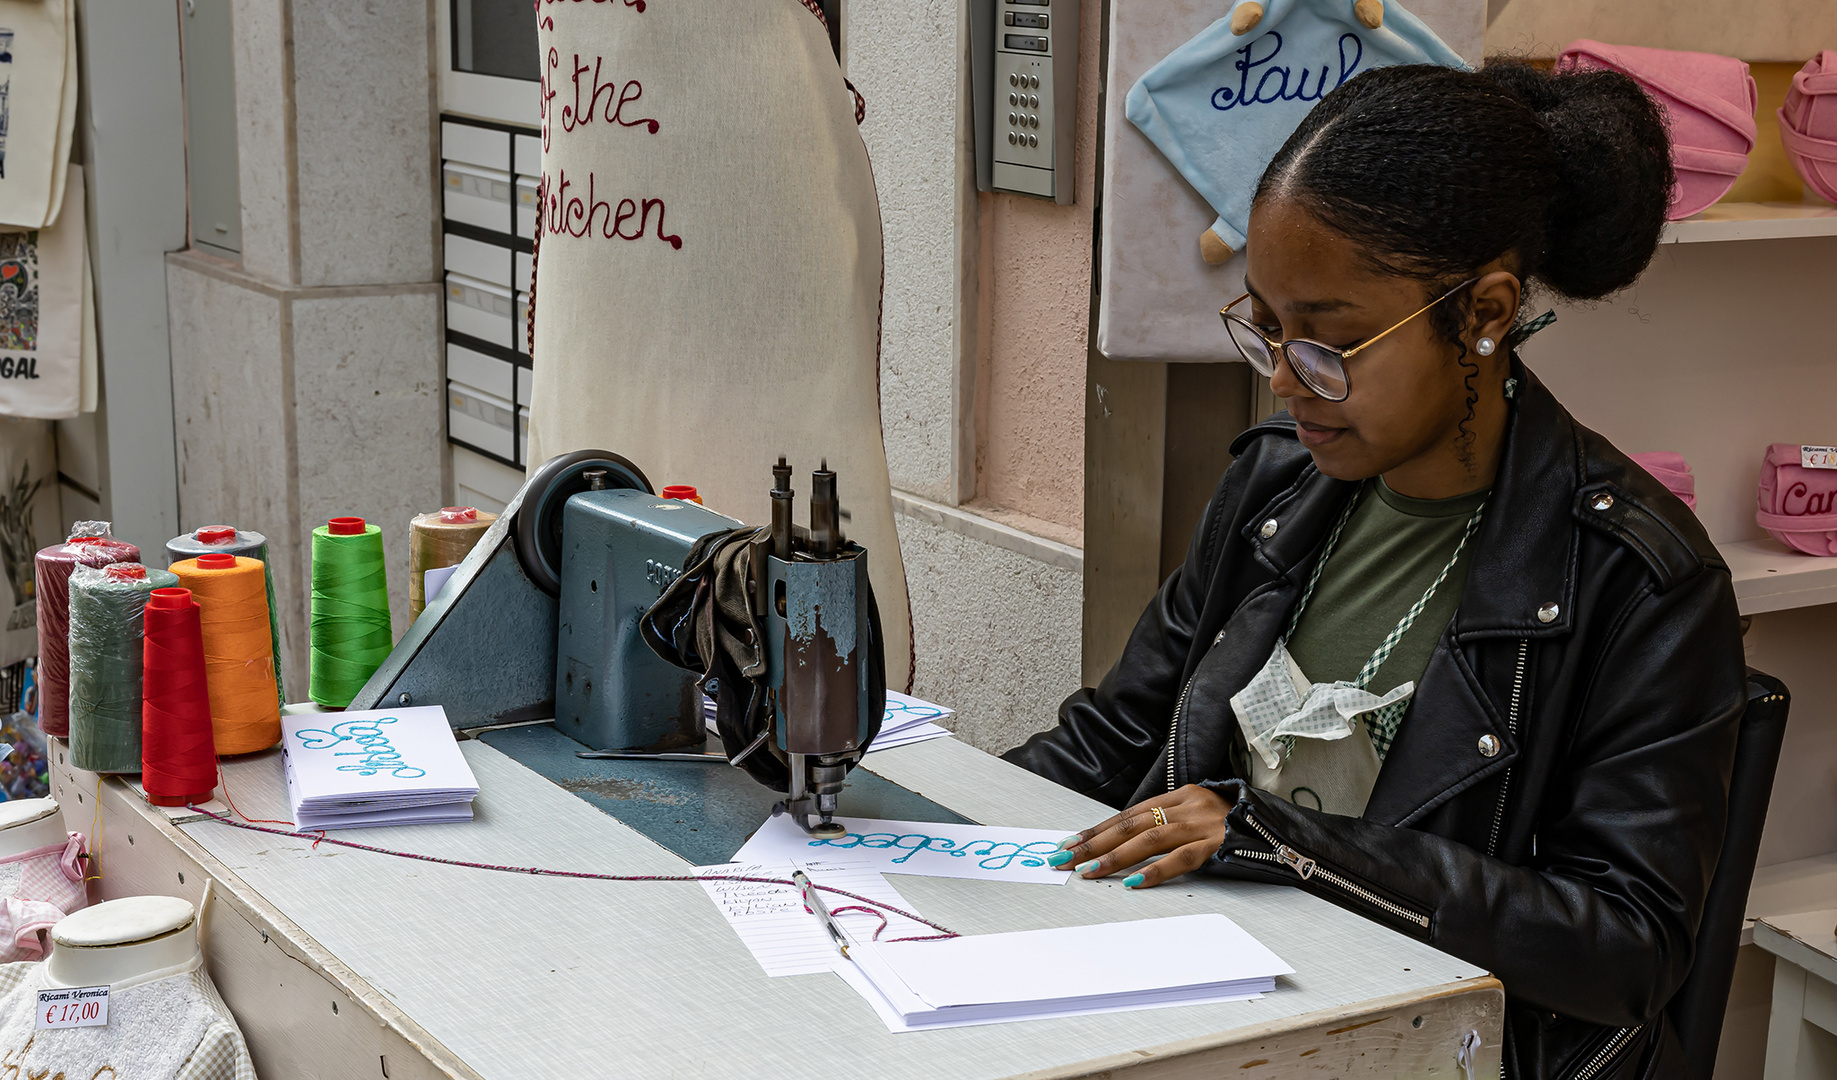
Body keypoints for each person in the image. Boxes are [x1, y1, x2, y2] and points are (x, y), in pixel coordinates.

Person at [1004, 61, 1746, 1078]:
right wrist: (894, 823)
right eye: (1267, 325)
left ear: (1482, 312)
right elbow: (1109, 741)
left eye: (1330, 342)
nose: (1283, 378)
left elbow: (1623, 947)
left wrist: (1294, 849)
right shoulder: (1274, 492)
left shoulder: (1638, 579)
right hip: (1215, 1016)